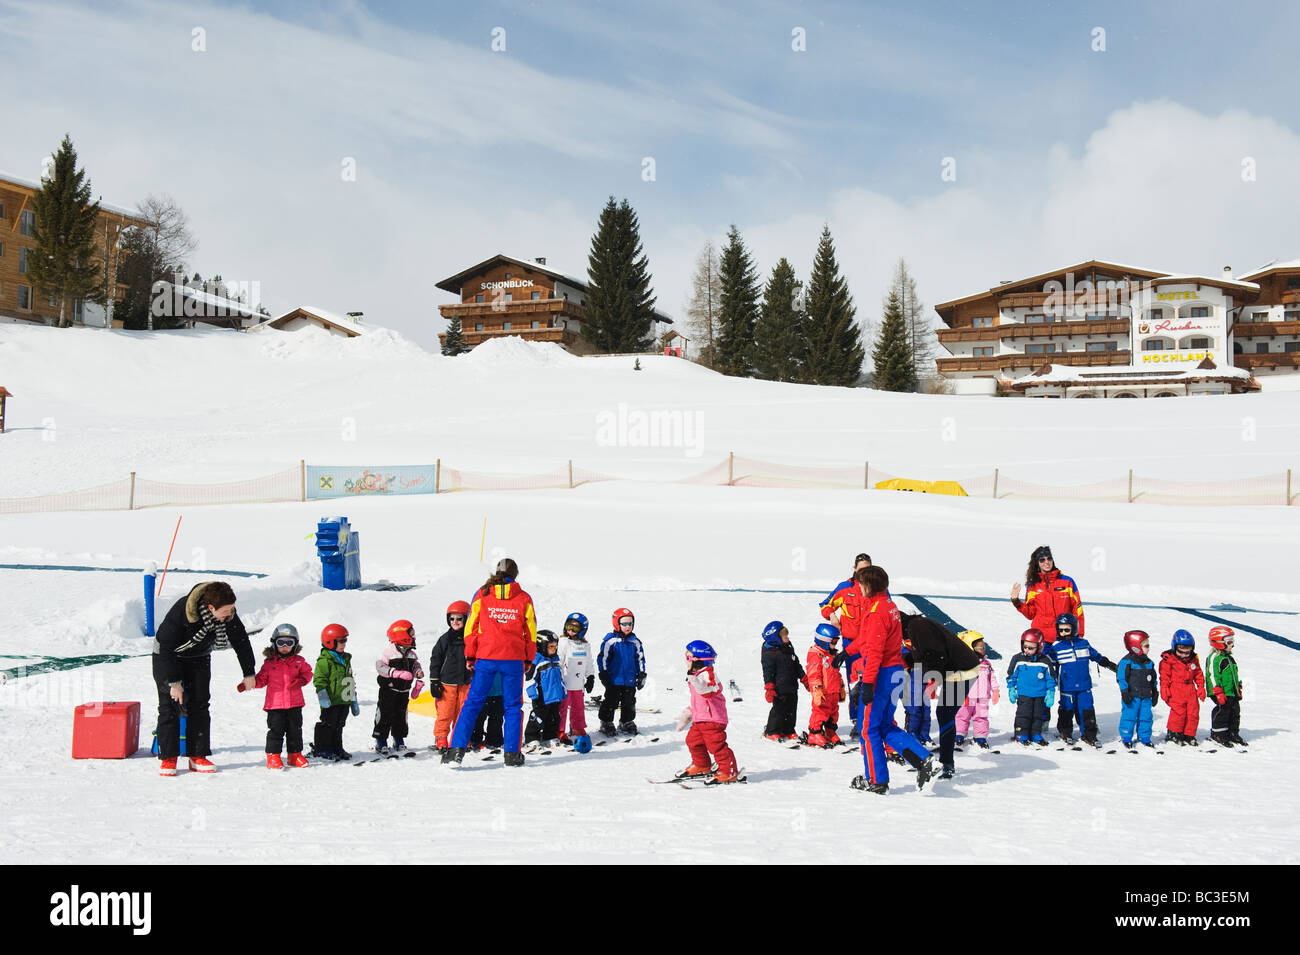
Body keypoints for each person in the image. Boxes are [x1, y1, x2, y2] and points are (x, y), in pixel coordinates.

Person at [838, 565, 936, 794]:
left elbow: (874, 651)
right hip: (895, 673)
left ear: (869, 585)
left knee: (867, 729)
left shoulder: (876, 612)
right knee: (883, 725)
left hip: (881, 675)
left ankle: (876, 780)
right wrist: (849, 651)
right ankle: (924, 760)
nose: (858, 587)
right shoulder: (888, 606)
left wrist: (869, 683)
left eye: (861, 583)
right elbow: (867, 638)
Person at [152, 580, 256, 776]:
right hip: (168, 657)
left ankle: (197, 755)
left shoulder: (228, 613)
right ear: (210, 608)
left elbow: (241, 640)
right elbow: (165, 647)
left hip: (198, 657)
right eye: (225, 611)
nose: (229, 615)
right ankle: (168, 757)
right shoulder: (183, 611)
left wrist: (249, 673)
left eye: (231, 610)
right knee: (170, 705)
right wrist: (173, 683)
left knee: (200, 704)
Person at [444, 557, 537, 767]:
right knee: (512, 706)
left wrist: (470, 655)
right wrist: (529, 657)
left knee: (472, 703)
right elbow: (531, 632)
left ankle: (455, 751)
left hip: (485, 657)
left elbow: (470, 627)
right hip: (512, 659)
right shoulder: (523, 598)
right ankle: (512, 754)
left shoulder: (482, 593)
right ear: (515, 575)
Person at [244, 623, 314, 768]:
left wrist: (301, 680)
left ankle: (294, 755)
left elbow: (308, 673)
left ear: (295, 645)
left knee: (295, 730)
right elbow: (262, 679)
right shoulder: (269, 664)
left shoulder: (299, 661)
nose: (284, 646)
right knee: (276, 731)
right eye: (280, 642)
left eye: (289, 643)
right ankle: (273, 756)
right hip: (275, 705)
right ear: (274, 643)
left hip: (295, 703)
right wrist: (249, 683)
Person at [1044, 612, 1116, 746]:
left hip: (1084, 685)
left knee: (1087, 708)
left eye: (1067, 629)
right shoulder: (1057, 648)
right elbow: (1046, 662)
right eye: (1061, 630)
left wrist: (1109, 665)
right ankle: (1065, 732)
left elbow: (1096, 656)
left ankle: (1089, 734)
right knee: (1067, 708)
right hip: (1067, 686)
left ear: (1074, 628)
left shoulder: (1084, 643)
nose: (1064, 632)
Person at [677, 640, 741, 783]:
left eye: (688, 658)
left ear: (698, 660)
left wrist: (693, 679)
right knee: (693, 741)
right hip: (701, 719)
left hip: (713, 720)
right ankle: (701, 765)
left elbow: (707, 692)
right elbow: (699, 700)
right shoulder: (696, 675)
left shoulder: (708, 674)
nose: (686, 661)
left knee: (716, 746)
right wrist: (690, 712)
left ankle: (728, 771)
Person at [1010, 545, 1084, 645]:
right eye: (1042, 560)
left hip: (1064, 637)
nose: (1046, 562)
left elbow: (1078, 610)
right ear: (1037, 563)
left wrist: (1078, 635)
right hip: (1042, 640)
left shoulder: (1067, 582)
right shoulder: (1033, 586)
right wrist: (1016, 602)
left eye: (1049, 558)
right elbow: (1030, 614)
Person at [374, 619, 424, 753]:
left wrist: (417, 671)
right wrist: (396, 673)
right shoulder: (389, 652)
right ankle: (381, 740)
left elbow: (415, 665)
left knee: (401, 716)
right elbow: (380, 666)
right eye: (411, 633)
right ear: (402, 635)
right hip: (389, 690)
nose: (413, 636)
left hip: (404, 690)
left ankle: (399, 739)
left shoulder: (412, 653)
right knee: (385, 714)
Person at [428, 601, 472, 750]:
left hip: (465, 682)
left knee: (463, 713)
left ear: (466, 619)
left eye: (459, 619)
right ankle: (441, 737)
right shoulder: (445, 639)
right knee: (445, 713)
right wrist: (434, 681)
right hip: (447, 683)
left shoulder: (470, 639)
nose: (455, 622)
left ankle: (460, 738)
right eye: (452, 619)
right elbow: (435, 660)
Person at [310, 623, 357, 761]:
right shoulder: (325, 661)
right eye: (341, 641)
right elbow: (319, 680)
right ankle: (323, 749)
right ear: (330, 642)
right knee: (328, 724)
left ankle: (337, 747)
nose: (344, 644)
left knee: (339, 725)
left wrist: (353, 698)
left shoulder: (346, 658)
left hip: (344, 699)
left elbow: (349, 678)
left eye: (345, 640)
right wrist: (323, 696)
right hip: (331, 700)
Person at [597, 607, 647, 737]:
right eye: (624, 623)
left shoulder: (635, 642)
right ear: (617, 624)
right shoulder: (610, 641)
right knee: (611, 701)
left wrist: (642, 674)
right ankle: (606, 722)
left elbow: (640, 659)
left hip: (630, 679)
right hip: (614, 679)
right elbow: (603, 658)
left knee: (629, 701)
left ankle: (626, 721)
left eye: (630, 623)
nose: (627, 626)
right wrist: (603, 673)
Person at [1006, 629, 1056, 744]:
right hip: (1024, 694)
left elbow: (1050, 678)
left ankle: (1035, 733)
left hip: (1039, 695)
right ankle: (1021, 733)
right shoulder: (1018, 659)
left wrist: (1051, 692)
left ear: (1039, 647)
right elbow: (1011, 675)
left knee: (1037, 716)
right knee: (1023, 715)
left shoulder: (1044, 661)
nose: (1027, 650)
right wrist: (1011, 689)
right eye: (1025, 647)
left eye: (1031, 648)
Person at [761, 620, 806, 742]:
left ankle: (788, 730)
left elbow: (796, 663)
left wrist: (803, 678)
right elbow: (768, 671)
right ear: (776, 639)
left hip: (791, 684)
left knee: (792, 709)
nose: (788, 638)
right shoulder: (769, 652)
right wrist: (769, 687)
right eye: (785, 637)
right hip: (779, 687)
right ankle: (772, 731)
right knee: (779, 709)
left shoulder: (788, 647)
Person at [954, 632, 1000, 750]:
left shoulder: (986, 664)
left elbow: (992, 677)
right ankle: (959, 734)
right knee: (962, 716)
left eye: (984, 647)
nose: (983, 650)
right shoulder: (963, 664)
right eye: (980, 647)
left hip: (982, 697)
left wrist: (995, 690)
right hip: (967, 697)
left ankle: (980, 736)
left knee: (981, 717)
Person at [1159, 629, 1206, 746]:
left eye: (1187, 653)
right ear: (1175, 648)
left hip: (1190, 690)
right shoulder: (1168, 660)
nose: (1184, 655)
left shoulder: (1193, 660)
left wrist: (1200, 687)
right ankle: (1174, 733)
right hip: (1176, 689)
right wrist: (1164, 688)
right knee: (1178, 713)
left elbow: (1198, 674)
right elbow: (1164, 676)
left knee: (1193, 713)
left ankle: (1189, 734)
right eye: (1181, 652)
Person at [1116, 630, 1158, 750]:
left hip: (1146, 697)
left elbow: (1153, 679)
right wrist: (1124, 692)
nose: (1148, 648)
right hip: (1132, 696)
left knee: (1146, 717)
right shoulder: (1126, 662)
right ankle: (1126, 737)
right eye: (1146, 646)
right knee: (1129, 717)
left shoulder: (1149, 662)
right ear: (1135, 647)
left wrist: (1155, 691)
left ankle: (1145, 737)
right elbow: (1121, 678)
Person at [804, 623, 845, 747]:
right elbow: (813, 674)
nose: (835, 645)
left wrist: (841, 687)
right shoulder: (816, 654)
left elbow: (837, 673)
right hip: (822, 692)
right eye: (833, 642)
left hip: (833, 690)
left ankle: (830, 731)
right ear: (824, 641)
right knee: (820, 712)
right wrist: (817, 690)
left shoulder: (832, 654)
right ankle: (814, 733)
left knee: (833, 711)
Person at [557, 612, 594, 745]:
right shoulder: (563, 642)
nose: (571, 631)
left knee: (578, 707)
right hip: (565, 682)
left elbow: (589, 662)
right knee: (562, 707)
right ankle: (559, 730)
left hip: (578, 684)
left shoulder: (585, 645)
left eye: (575, 629)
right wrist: (558, 678)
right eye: (569, 627)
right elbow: (559, 660)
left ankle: (577, 728)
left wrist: (590, 676)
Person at [1205, 626, 1245, 747]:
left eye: (1233, 641)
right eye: (1229, 642)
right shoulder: (1214, 658)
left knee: (1235, 711)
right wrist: (1217, 691)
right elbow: (1211, 675)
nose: (1232, 645)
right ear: (1218, 643)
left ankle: (1232, 732)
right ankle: (1218, 734)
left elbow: (1233, 675)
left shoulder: (1228, 657)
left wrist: (1237, 686)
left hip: (1230, 691)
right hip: (1220, 692)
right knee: (1223, 711)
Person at [525, 630, 565, 748]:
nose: (554, 649)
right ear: (541, 646)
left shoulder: (556, 660)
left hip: (555, 695)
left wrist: (563, 690)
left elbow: (560, 677)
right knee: (538, 716)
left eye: (555, 646)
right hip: (541, 695)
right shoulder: (536, 661)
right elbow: (530, 679)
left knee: (554, 717)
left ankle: (550, 736)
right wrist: (533, 692)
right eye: (551, 646)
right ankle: (531, 737)